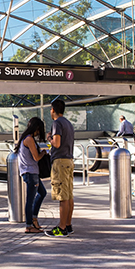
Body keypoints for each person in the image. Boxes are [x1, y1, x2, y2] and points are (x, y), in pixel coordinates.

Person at [45, 99, 75, 237]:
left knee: (62, 196)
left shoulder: (57, 123)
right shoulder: (68, 123)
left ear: (53, 110)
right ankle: (68, 225)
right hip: (69, 160)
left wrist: (49, 138)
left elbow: (56, 144)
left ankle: (61, 228)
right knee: (68, 195)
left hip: (60, 162)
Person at [16, 117, 47, 233]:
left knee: (42, 193)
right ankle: (29, 225)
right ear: (37, 128)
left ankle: (33, 219)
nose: (39, 133)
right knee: (30, 199)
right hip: (31, 172)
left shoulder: (25, 138)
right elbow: (36, 157)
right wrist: (43, 153)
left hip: (30, 172)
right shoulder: (29, 139)